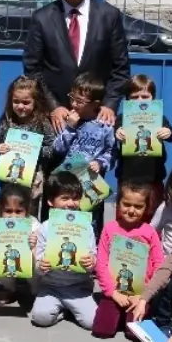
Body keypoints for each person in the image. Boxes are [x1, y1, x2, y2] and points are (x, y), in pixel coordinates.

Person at [23, 0, 130, 130]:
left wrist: (109, 104)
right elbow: (32, 68)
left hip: (97, 116)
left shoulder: (109, 16)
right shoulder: (42, 18)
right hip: (57, 117)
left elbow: (120, 67)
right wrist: (53, 106)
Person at [92, 181, 164, 338]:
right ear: (118, 203)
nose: (131, 210)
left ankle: (132, 317)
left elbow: (159, 266)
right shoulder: (109, 229)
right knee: (102, 330)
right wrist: (112, 293)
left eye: (138, 207)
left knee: (134, 335)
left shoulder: (150, 233)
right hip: (114, 291)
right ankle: (116, 315)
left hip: (140, 294)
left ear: (147, 208)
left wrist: (144, 296)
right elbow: (101, 264)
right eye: (126, 204)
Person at [31, 172, 97, 329]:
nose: (71, 203)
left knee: (93, 322)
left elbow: (94, 259)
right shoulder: (45, 228)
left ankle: (71, 308)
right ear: (50, 201)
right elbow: (38, 264)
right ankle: (63, 312)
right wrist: (41, 266)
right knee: (40, 318)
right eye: (64, 198)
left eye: (75, 198)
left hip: (78, 287)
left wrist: (91, 263)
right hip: (51, 287)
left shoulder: (86, 226)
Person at [51, 72, 117, 228]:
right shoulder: (70, 120)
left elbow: (112, 153)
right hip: (68, 183)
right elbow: (58, 148)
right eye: (71, 98)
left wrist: (100, 163)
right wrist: (70, 127)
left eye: (79, 101)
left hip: (91, 184)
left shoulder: (104, 126)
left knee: (89, 223)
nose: (73, 104)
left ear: (95, 104)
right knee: (64, 222)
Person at [114, 74, 172, 218]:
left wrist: (167, 131)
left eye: (145, 96)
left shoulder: (159, 118)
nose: (140, 100)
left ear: (153, 98)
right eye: (134, 97)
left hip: (153, 178)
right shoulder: (122, 118)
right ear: (127, 100)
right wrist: (118, 131)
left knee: (152, 215)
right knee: (126, 215)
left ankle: (150, 240)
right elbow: (115, 129)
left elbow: (171, 133)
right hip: (127, 178)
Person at [0, 75, 57, 208]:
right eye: (16, 101)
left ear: (36, 101)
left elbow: (52, 148)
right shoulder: (6, 120)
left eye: (26, 102)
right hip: (8, 177)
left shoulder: (42, 122)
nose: (20, 106)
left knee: (30, 211)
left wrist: (36, 151)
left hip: (33, 178)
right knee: (8, 208)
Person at [0, 187, 41, 307]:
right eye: (8, 211)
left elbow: (41, 252)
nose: (13, 216)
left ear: (26, 210)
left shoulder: (33, 224)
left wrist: (33, 245)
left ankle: (36, 291)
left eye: (18, 211)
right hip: (9, 262)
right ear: (1, 210)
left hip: (29, 263)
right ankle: (9, 289)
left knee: (38, 264)